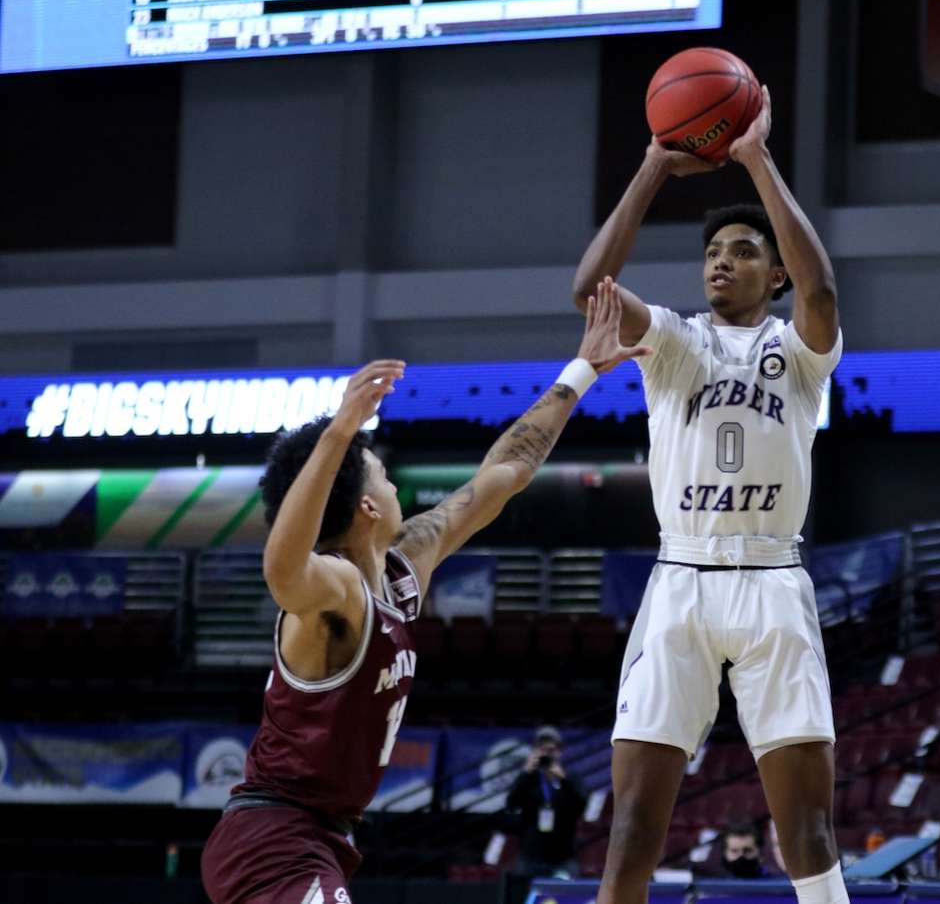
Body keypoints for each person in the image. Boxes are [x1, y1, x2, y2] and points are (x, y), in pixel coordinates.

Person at [201, 281, 647, 904]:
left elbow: (505, 474)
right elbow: (281, 569)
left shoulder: (404, 562)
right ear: (363, 505)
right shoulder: (334, 589)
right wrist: (338, 434)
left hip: (320, 838)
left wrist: (582, 372)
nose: (393, 484)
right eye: (382, 474)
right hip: (274, 837)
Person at [571, 86, 848, 904]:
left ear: (773, 274)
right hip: (681, 579)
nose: (721, 260)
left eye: (743, 250)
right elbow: (590, 285)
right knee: (630, 830)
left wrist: (757, 158)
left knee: (808, 833)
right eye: (713, 251)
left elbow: (823, 294)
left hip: (771, 580)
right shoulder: (674, 341)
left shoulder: (797, 352)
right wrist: (655, 166)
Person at [505, 726, 587, 877]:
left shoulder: (571, 778)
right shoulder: (528, 779)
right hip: (530, 855)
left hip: (563, 855)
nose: (546, 754)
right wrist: (525, 774)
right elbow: (511, 804)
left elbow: (581, 806)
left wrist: (564, 780)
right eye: (542, 750)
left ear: (559, 751)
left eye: (551, 750)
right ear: (534, 751)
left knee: (566, 898)